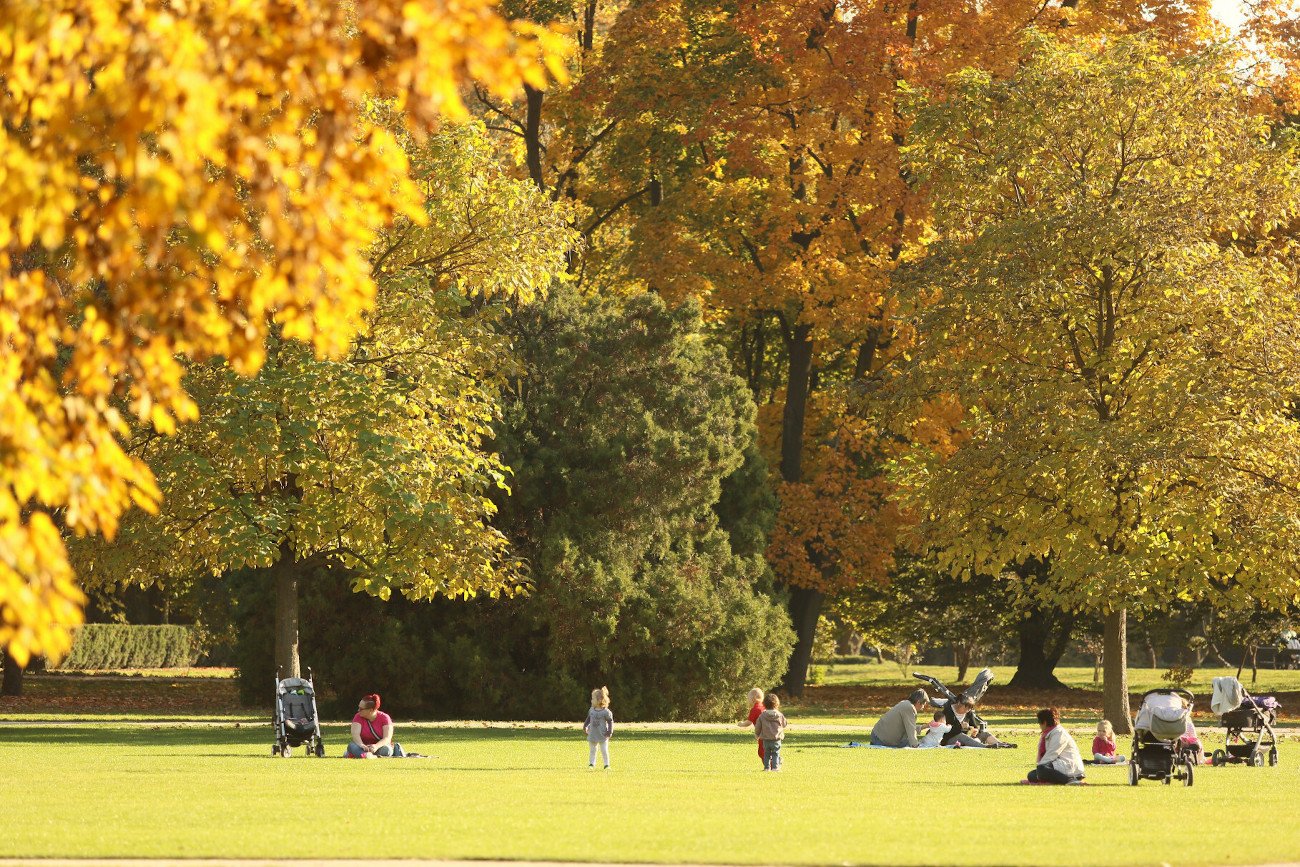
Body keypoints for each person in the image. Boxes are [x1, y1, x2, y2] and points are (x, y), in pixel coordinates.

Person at [1027, 707, 1085, 784]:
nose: (1039, 725)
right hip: (1058, 765)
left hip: (1070, 767)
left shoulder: (1059, 734)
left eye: (1039, 722)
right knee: (1032, 775)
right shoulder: (1050, 733)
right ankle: (1055, 779)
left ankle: (1070, 780)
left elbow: (1052, 754)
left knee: (1041, 770)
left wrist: (1040, 768)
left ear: (1044, 722)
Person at [941, 694, 1014, 748]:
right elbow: (946, 731)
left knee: (984, 734)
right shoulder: (948, 712)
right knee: (961, 736)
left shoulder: (969, 713)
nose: (967, 711)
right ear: (959, 703)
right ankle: (985, 747)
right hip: (950, 740)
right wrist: (961, 727)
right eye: (965, 708)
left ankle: (1002, 744)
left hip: (968, 738)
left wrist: (974, 731)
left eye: (969, 709)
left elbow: (974, 726)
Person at [346, 693, 405, 758]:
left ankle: (361, 755)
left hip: (379, 747)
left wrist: (375, 746)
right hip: (362, 747)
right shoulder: (358, 717)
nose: (358, 710)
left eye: (361, 709)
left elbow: (387, 738)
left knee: (387, 750)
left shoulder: (385, 718)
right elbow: (355, 735)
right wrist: (361, 745)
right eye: (359, 707)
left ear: (371, 710)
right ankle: (366, 755)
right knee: (351, 746)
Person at [754, 692, 787, 770]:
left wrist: (757, 734)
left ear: (764, 704)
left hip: (766, 739)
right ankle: (775, 768)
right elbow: (785, 724)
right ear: (777, 704)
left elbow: (758, 726)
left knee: (767, 754)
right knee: (776, 753)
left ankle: (766, 767)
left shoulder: (762, 715)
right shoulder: (780, 715)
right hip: (776, 739)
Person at [584, 686, 614, 769]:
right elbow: (588, 718)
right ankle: (591, 764)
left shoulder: (606, 712)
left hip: (603, 735)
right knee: (592, 750)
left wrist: (610, 731)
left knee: (604, 750)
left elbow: (610, 721)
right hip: (592, 734)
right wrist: (585, 726)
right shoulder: (591, 710)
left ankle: (606, 764)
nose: (591, 700)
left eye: (593, 698)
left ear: (599, 700)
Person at [737, 687, 766, 767]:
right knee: (769, 749)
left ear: (753, 699)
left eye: (748, 698)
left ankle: (770, 766)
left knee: (762, 752)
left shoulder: (755, 709)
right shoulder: (764, 707)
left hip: (762, 734)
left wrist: (742, 724)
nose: (748, 700)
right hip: (770, 732)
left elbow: (749, 722)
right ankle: (775, 760)